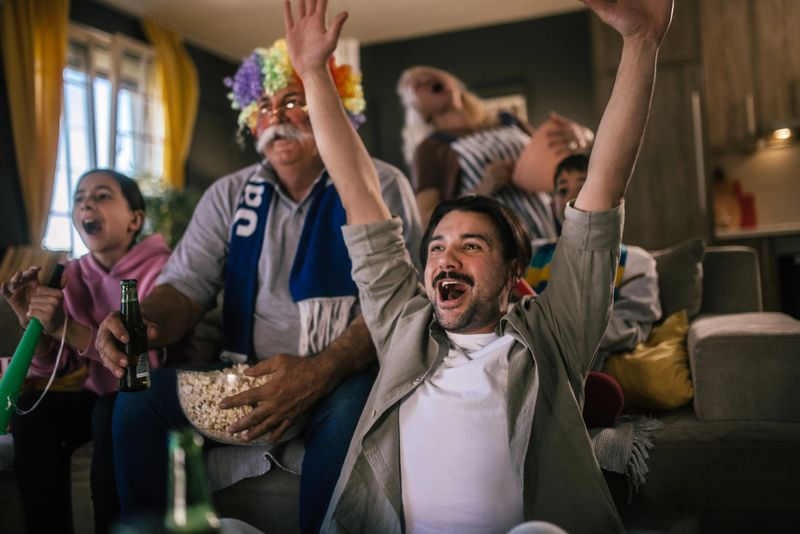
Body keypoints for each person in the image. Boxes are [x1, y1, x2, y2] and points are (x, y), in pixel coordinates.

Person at [281, 0, 672, 532]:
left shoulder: (553, 337)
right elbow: (357, 186)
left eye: (471, 246)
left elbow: (602, 186)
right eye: (438, 245)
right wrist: (312, 74)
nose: (446, 257)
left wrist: (641, 43)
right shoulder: (404, 326)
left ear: (515, 272)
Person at [94, 38, 422, 534]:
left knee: (355, 413)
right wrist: (144, 323)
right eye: (263, 105)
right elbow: (183, 289)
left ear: (334, 105)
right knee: (136, 401)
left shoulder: (381, 182)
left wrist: (321, 370)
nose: (276, 116)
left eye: (292, 100)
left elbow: (396, 305)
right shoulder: (228, 194)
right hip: (243, 374)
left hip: (342, 374)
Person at [1, 169, 172, 534]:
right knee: (33, 416)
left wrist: (67, 326)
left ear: (135, 220)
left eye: (103, 195)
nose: (86, 204)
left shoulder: (164, 269)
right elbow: (55, 370)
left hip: (147, 399)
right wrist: (34, 325)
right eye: (79, 198)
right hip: (97, 399)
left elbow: (145, 363)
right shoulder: (72, 275)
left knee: (112, 408)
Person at [397, 64, 594, 234]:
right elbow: (426, 219)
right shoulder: (430, 149)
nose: (425, 80)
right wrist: (484, 188)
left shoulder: (507, 120)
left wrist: (581, 137)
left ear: (453, 82)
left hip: (552, 230)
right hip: (499, 246)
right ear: (417, 109)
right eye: (417, 85)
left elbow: (557, 169)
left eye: (430, 74)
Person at [528, 153, 662, 363]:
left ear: (616, 199)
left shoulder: (636, 263)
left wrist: (553, 328)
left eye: (584, 188)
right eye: (563, 190)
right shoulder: (530, 255)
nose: (573, 197)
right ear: (553, 205)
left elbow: (632, 328)